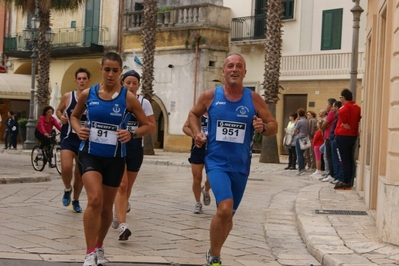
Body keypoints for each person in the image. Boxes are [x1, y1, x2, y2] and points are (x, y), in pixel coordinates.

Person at [187, 53, 277, 266]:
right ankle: (214, 257)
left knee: (227, 217)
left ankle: (212, 250)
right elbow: (193, 114)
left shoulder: (253, 99)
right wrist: (197, 133)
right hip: (216, 162)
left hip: (240, 166)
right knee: (225, 208)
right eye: (230, 66)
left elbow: (272, 125)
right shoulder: (210, 96)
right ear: (223, 72)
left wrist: (262, 127)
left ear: (245, 72)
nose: (234, 69)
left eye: (239, 66)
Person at [70, 52, 150, 266]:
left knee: (106, 208)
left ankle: (99, 246)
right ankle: (88, 253)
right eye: (107, 69)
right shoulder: (88, 94)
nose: (111, 74)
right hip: (89, 154)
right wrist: (78, 130)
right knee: (95, 199)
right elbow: (74, 116)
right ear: (101, 70)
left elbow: (147, 125)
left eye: (116, 70)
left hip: (115, 158)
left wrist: (131, 134)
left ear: (120, 72)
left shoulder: (128, 97)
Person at [111, 70, 156, 241]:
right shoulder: (115, 100)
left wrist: (133, 133)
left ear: (138, 85)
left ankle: (119, 209)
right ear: (122, 83)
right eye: (128, 82)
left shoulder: (144, 103)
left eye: (134, 83)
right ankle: (123, 225)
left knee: (127, 187)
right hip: (116, 148)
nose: (131, 86)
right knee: (121, 185)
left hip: (135, 148)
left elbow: (151, 127)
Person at [56, 68, 91, 213]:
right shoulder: (68, 97)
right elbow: (58, 110)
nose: (82, 81)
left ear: (88, 80)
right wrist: (61, 117)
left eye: (84, 78)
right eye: (79, 78)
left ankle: (76, 200)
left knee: (79, 174)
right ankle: (67, 188)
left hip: (84, 140)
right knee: (66, 167)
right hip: (68, 138)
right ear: (76, 81)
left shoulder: (93, 98)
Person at [182, 113, 211, 214]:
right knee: (197, 178)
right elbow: (185, 127)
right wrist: (195, 135)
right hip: (198, 149)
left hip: (213, 151)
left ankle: (206, 189)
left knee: (211, 178)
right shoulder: (196, 114)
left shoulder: (217, 112)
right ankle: (198, 203)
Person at [334, 89, 361, 190]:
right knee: (349, 158)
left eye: (341, 98)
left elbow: (341, 113)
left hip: (343, 135)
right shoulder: (357, 108)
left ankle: (345, 181)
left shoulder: (344, 108)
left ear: (343, 98)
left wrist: (345, 124)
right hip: (352, 135)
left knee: (344, 159)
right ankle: (349, 180)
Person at [320, 98, 336, 182]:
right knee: (325, 154)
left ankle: (329, 173)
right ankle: (328, 173)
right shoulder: (332, 113)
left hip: (329, 137)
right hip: (328, 137)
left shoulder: (331, 113)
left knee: (328, 156)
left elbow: (323, 125)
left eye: (327, 104)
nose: (326, 106)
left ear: (330, 105)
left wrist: (324, 124)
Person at [329, 100, 342, 184]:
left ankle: (338, 177)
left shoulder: (339, 117)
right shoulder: (337, 116)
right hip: (333, 139)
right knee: (334, 159)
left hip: (335, 139)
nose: (332, 108)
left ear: (337, 107)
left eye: (333, 106)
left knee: (337, 159)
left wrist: (334, 137)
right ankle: (336, 176)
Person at [294, 108, 309, 176]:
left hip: (300, 137)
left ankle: (300, 169)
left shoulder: (299, 121)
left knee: (299, 154)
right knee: (303, 153)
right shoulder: (307, 121)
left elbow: (295, 129)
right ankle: (303, 167)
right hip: (305, 137)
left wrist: (296, 121)